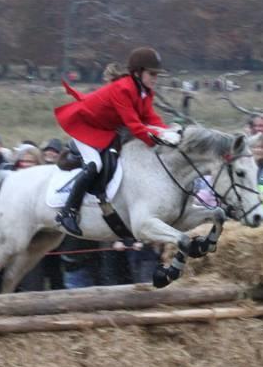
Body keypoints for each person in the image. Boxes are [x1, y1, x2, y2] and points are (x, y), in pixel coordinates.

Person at [53, 46, 174, 236]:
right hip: (84, 126)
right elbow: (134, 125)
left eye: (157, 74)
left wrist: (169, 133)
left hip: (105, 131)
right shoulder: (123, 88)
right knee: (94, 165)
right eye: (152, 74)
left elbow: (151, 119)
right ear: (138, 72)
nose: (155, 78)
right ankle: (67, 212)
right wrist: (159, 139)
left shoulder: (145, 92)